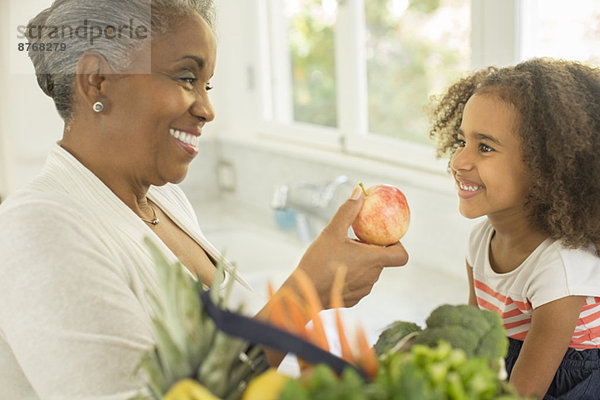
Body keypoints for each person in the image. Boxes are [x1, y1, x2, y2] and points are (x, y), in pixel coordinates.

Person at [0, 1, 409, 398]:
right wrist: (305, 294)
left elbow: (225, 368)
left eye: (206, 84)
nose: (207, 108)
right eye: (185, 78)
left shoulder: (167, 203)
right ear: (97, 81)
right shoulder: (35, 229)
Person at [429, 58, 600, 399]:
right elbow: (475, 338)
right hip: (513, 359)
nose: (459, 162)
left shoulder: (560, 268)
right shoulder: (480, 241)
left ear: (543, 166)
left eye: (486, 147)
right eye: (462, 141)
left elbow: (523, 394)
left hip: (570, 377)